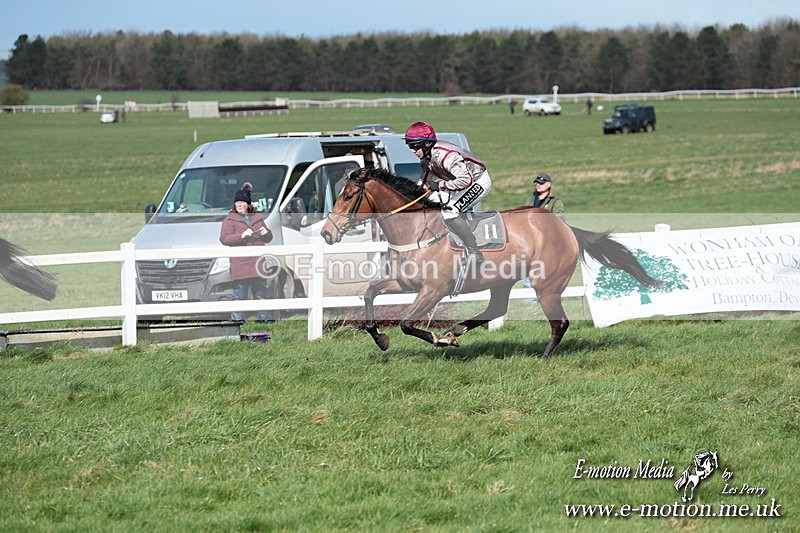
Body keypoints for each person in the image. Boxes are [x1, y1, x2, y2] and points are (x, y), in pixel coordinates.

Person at [404, 121, 492, 265]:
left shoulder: (445, 156)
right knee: (431, 202)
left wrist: (441, 185)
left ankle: (474, 252)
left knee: (449, 211)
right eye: (409, 146)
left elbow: (465, 181)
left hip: (478, 181)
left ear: (426, 144)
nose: (412, 150)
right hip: (460, 182)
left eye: (414, 146)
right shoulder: (426, 158)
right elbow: (423, 183)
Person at [219, 188, 274, 323]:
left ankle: (265, 320)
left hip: (258, 264)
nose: (238, 205)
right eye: (237, 202)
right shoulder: (229, 220)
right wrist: (242, 236)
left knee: (261, 295)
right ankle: (237, 322)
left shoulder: (257, 218)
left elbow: (269, 238)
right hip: (240, 265)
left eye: (242, 202)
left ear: (248, 204)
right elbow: (224, 239)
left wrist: (265, 232)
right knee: (239, 296)